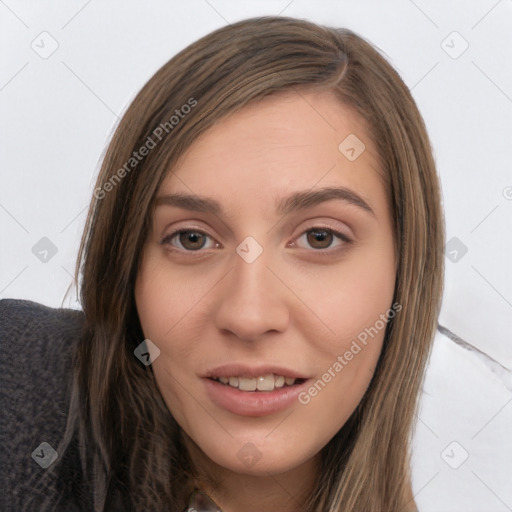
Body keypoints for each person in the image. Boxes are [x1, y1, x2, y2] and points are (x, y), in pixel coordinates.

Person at [0, 15, 444, 512]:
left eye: (320, 238)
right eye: (192, 239)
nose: (249, 316)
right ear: (127, 273)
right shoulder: (18, 390)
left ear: (406, 272)